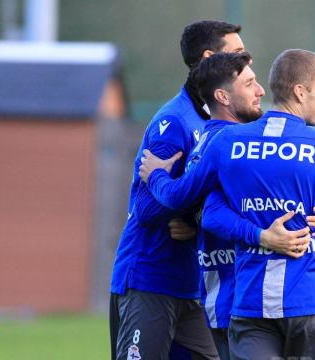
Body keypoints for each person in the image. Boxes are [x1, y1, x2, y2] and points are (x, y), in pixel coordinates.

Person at [138, 49, 315, 359]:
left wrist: (156, 174)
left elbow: (180, 198)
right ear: (300, 91)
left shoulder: (227, 142)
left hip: (250, 305)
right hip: (311, 302)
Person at [174, 51, 315, 360]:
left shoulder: (247, 143)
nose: (261, 91)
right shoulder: (223, 143)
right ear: (222, 96)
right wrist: (262, 236)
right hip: (237, 298)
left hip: (256, 298)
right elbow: (200, 208)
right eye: (250, 83)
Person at [109, 20, 245, 360]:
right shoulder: (174, 121)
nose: (247, 63)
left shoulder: (217, 123)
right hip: (150, 279)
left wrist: (195, 219)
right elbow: (146, 209)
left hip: (191, 285)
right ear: (210, 58)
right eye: (239, 54)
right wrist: (187, 205)